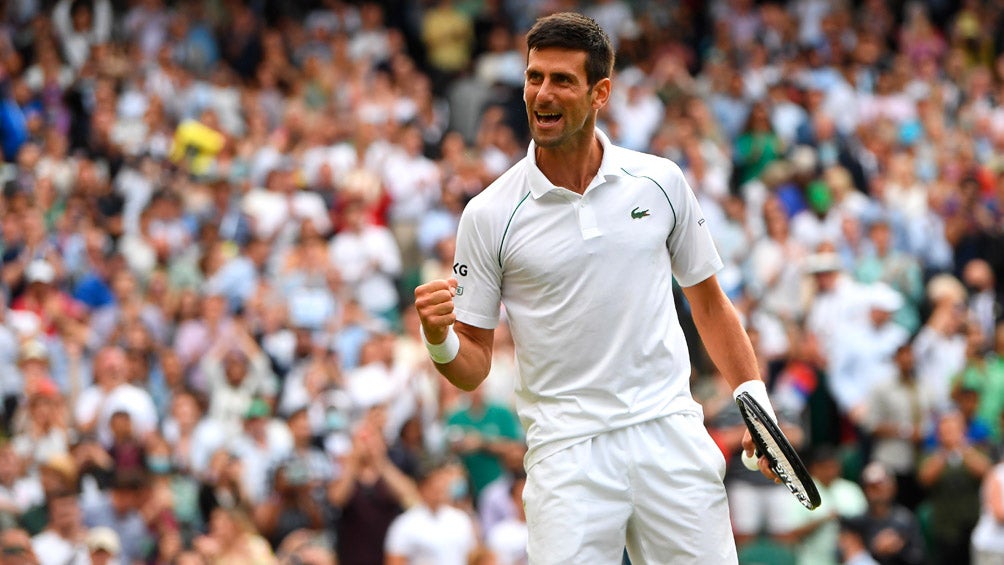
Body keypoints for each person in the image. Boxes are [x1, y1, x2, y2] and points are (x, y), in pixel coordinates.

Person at [414, 12, 777, 564]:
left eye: (562, 80)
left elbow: (709, 304)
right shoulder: (487, 214)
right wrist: (439, 338)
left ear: (600, 92)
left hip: (669, 434)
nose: (542, 93)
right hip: (566, 455)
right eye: (535, 78)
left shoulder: (660, 182)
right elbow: (474, 366)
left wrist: (753, 398)